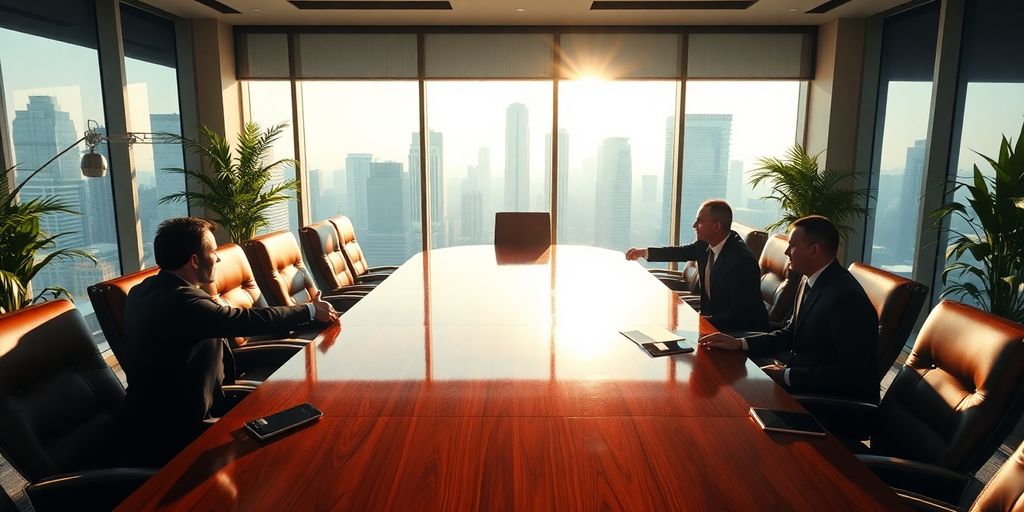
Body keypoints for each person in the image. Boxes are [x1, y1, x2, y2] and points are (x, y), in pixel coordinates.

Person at [118, 217, 339, 466]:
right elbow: (244, 320)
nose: (219, 258)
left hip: (162, 415)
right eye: (213, 251)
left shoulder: (145, 290)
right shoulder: (183, 302)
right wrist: (309, 311)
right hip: (177, 433)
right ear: (194, 260)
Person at [698, 215, 879, 404]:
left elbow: (852, 375)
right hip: (801, 383)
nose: (786, 252)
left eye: (792, 246)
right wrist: (739, 343)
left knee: (729, 401)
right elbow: (792, 334)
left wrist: (787, 376)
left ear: (814, 250)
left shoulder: (846, 298)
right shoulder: (808, 279)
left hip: (830, 405)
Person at [625, 199, 768, 333]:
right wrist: (643, 252)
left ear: (716, 226)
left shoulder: (741, 261)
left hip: (740, 332)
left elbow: (738, 314)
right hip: (712, 324)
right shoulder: (706, 243)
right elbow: (679, 252)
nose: (694, 226)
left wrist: (696, 323)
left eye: (700, 221)